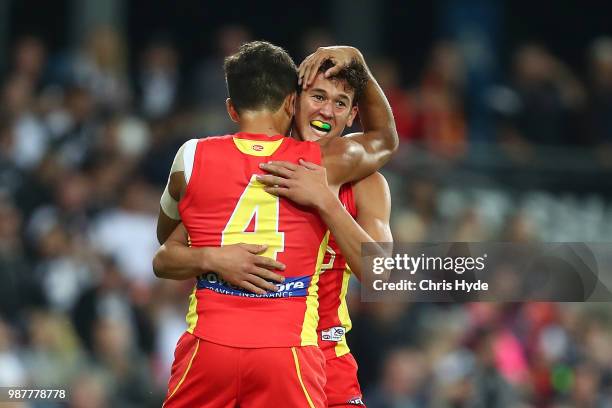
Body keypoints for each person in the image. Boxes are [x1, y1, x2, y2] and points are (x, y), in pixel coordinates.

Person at [155, 41, 397, 407]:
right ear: (293, 101)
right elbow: (167, 253)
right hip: (264, 348)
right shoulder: (243, 170)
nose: (327, 111)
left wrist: (326, 202)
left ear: (352, 118)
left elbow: (384, 278)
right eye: (318, 96)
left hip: (326, 354)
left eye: (341, 103)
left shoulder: (368, 183)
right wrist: (214, 259)